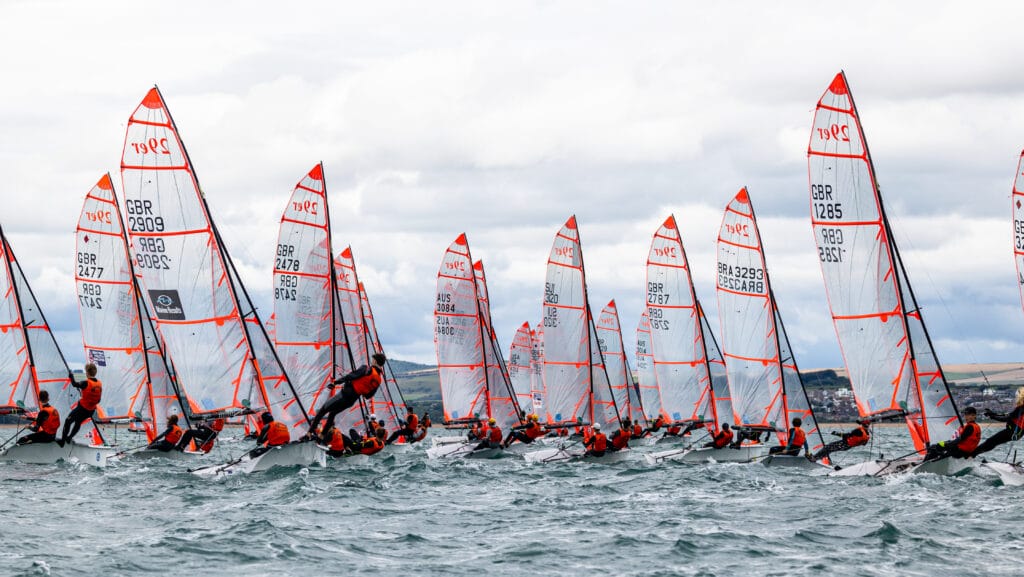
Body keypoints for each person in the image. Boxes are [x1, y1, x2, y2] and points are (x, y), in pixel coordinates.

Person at [307, 353, 386, 435]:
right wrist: (362, 387)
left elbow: (351, 376)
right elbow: (368, 396)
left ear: (375, 361)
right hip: (351, 400)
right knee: (332, 413)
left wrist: (336, 382)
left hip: (344, 395)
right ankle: (322, 436)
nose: (371, 361)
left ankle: (309, 433)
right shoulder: (378, 380)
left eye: (373, 360)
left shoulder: (366, 368)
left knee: (323, 409)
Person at [58, 363, 103, 447]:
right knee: (78, 422)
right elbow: (99, 400)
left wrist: (71, 375)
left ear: (87, 373)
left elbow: (74, 384)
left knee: (68, 421)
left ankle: (62, 441)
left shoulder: (86, 383)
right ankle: (69, 437)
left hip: (82, 409)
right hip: (91, 411)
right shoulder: (99, 384)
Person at [973, 388, 1024, 457]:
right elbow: (1008, 415)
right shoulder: (1021, 409)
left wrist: (993, 417)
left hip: (1012, 432)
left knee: (991, 441)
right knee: (993, 442)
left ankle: (972, 454)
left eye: (1017, 397)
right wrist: (993, 414)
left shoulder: (1021, 408)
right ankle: (974, 453)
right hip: (1016, 434)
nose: (1016, 398)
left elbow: (1006, 418)